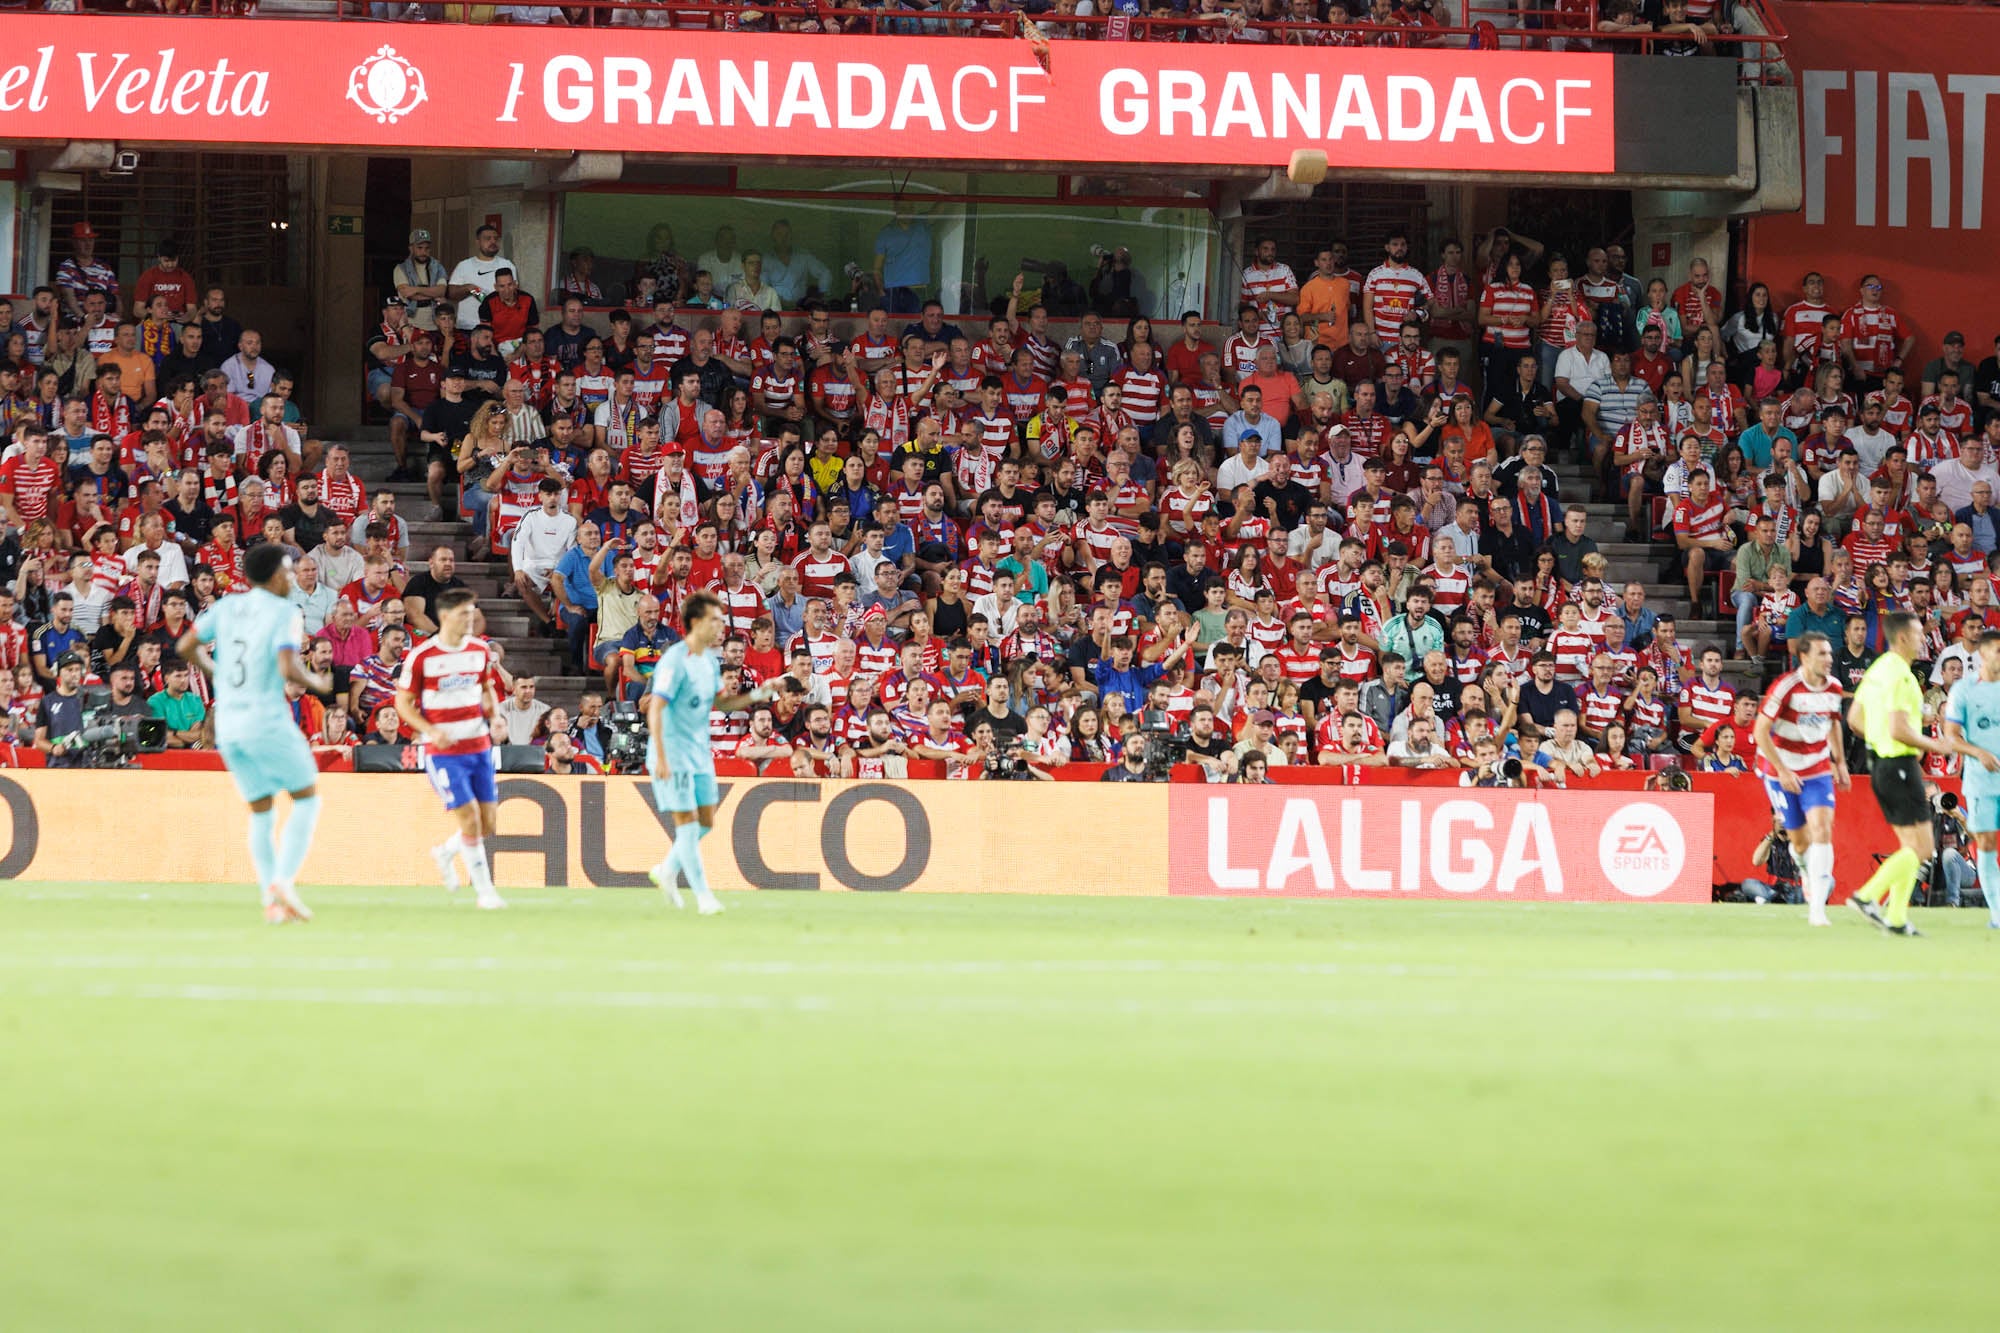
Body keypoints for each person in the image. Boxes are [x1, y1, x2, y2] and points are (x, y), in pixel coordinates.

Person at [176, 543, 332, 923]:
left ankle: (270, 899)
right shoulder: (285, 611)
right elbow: (287, 665)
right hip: (265, 718)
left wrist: (215, 671)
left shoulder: (226, 606)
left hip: (228, 722)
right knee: (307, 798)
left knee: (261, 809)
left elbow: (185, 645)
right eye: (289, 572)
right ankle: (284, 882)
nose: (293, 578)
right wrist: (319, 681)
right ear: (277, 575)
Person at [645, 591, 787, 915]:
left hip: (698, 752)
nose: (721, 626)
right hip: (674, 751)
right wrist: (663, 757)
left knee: (706, 822)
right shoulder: (674, 659)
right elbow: (655, 707)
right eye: (715, 620)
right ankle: (704, 897)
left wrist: (760, 694)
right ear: (696, 622)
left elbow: (722, 702)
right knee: (687, 824)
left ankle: (667, 868)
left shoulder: (709, 660)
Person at [395, 587, 507, 913]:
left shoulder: (479, 650)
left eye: (472, 613)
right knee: (470, 818)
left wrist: (496, 717)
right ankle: (485, 892)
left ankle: (446, 851)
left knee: (487, 824)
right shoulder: (423, 657)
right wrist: (429, 730)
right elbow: (403, 702)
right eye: (464, 614)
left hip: (479, 746)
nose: (470, 619)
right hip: (443, 752)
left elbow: (485, 688)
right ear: (444, 616)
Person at [1846, 611, 1958, 935]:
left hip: (1880, 764)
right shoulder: (1903, 676)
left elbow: (1854, 719)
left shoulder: (1878, 668)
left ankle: (1896, 918)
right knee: (1923, 849)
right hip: (1900, 766)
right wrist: (1936, 746)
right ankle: (1866, 896)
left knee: (1911, 847)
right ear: (1903, 638)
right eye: (1919, 633)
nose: (1924, 639)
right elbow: (1898, 729)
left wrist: (1882, 738)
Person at [1751, 632, 1851, 926]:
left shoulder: (1834, 687)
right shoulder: (1786, 688)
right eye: (1822, 654)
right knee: (1800, 841)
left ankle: (1817, 909)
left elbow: (1833, 723)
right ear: (1804, 657)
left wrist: (1840, 761)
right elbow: (1760, 732)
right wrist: (1782, 769)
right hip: (1779, 769)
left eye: (1830, 654)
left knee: (1823, 828)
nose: (1829, 659)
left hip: (1817, 767)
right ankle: (1805, 869)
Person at [1941, 629, 2000, 930]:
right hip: (1981, 781)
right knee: (1986, 843)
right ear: (1985, 654)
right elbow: (1951, 737)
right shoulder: (1963, 690)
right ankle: (1998, 914)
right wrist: (1979, 752)